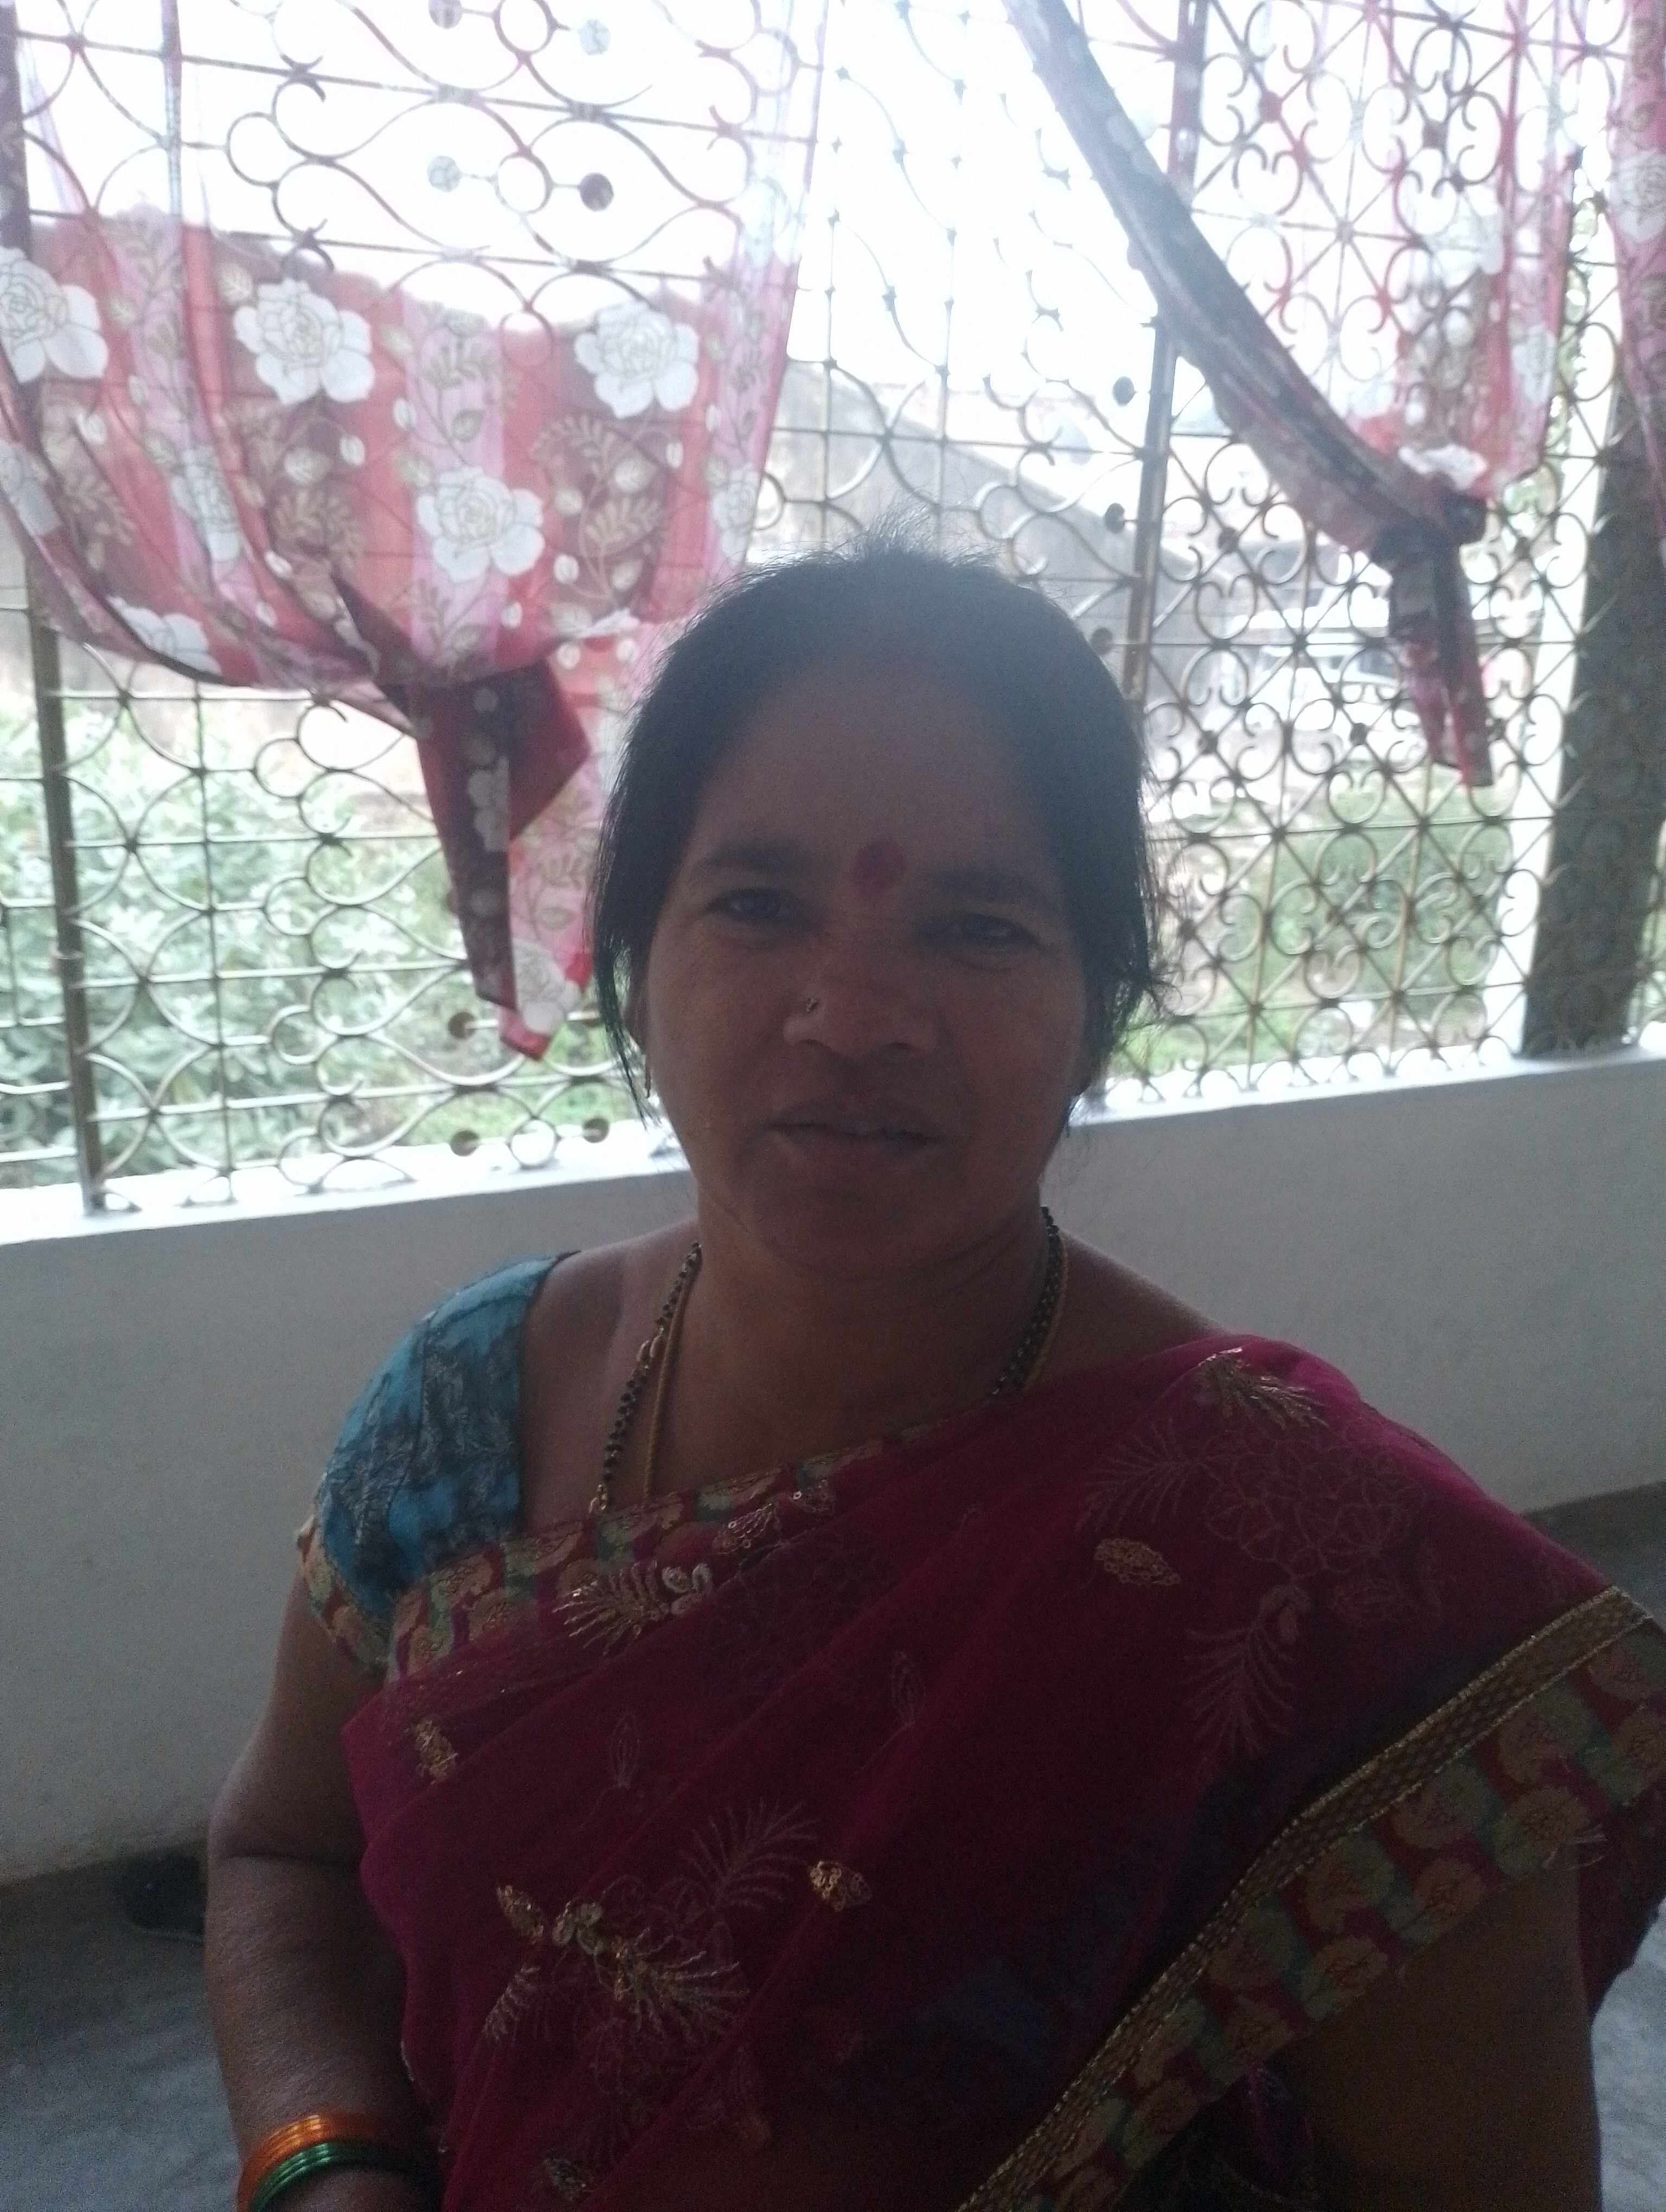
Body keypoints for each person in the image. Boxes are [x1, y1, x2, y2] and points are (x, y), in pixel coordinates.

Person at [207, 538, 1666, 2212]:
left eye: (978, 928)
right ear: (634, 957)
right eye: (758, 905)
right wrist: (330, 2170)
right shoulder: (467, 1416)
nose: (853, 1018)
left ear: (1098, 1003)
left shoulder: (1316, 1575)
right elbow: (282, 1853)